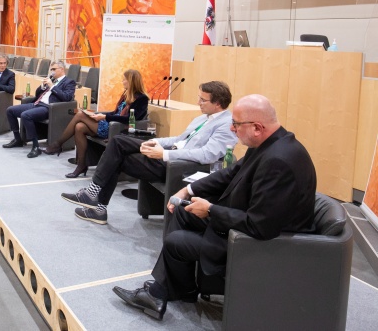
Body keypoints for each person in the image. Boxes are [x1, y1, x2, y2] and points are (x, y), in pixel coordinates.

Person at [112, 94, 317, 321]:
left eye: (237, 124)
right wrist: (188, 191)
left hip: (257, 245)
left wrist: (210, 210)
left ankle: (158, 293)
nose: (231, 128)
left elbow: (259, 226)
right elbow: (229, 174)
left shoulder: (279, 161)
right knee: (182, 209)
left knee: (175, 241)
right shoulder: (267, 144)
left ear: (257, 127)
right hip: (244, 226)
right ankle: (180, 288)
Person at [61, 81, 237, 225]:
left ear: (218, 104)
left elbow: (207, 155)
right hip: (168, 154)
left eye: (203, 100)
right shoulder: (202, 118)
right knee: (117, 151)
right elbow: (179, 139)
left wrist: (165, 154)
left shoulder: (226, 125)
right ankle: (97, 206)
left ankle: (94, 196)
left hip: (178, 166)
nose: (199, 103)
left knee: (118, 146)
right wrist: (155, 142)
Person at [46, 69, 149, 177]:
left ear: (131, 81)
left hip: (117, 128)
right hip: (111, 122)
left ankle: (58, 144)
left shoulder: (142, 98)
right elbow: (115, 112)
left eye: (124, 80)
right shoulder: (126, 94)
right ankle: (81, 165)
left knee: (80, 115)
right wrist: (99, 115)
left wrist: (104, 117)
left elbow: (130, 119)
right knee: (79, 127)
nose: (122, 82)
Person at [4, 61, 76, 158]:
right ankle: (18, 139)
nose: (52, 72)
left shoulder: (69, 82)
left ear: (62, 69)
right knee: (10, 110)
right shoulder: (52, 80)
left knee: (25, 115)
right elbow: (37, 93)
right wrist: (42, 86)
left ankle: (35, 147)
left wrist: (52, 86)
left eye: (54, 69)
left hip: (49, 108)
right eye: (51, 69)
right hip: (37, 103)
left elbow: (67, 97)